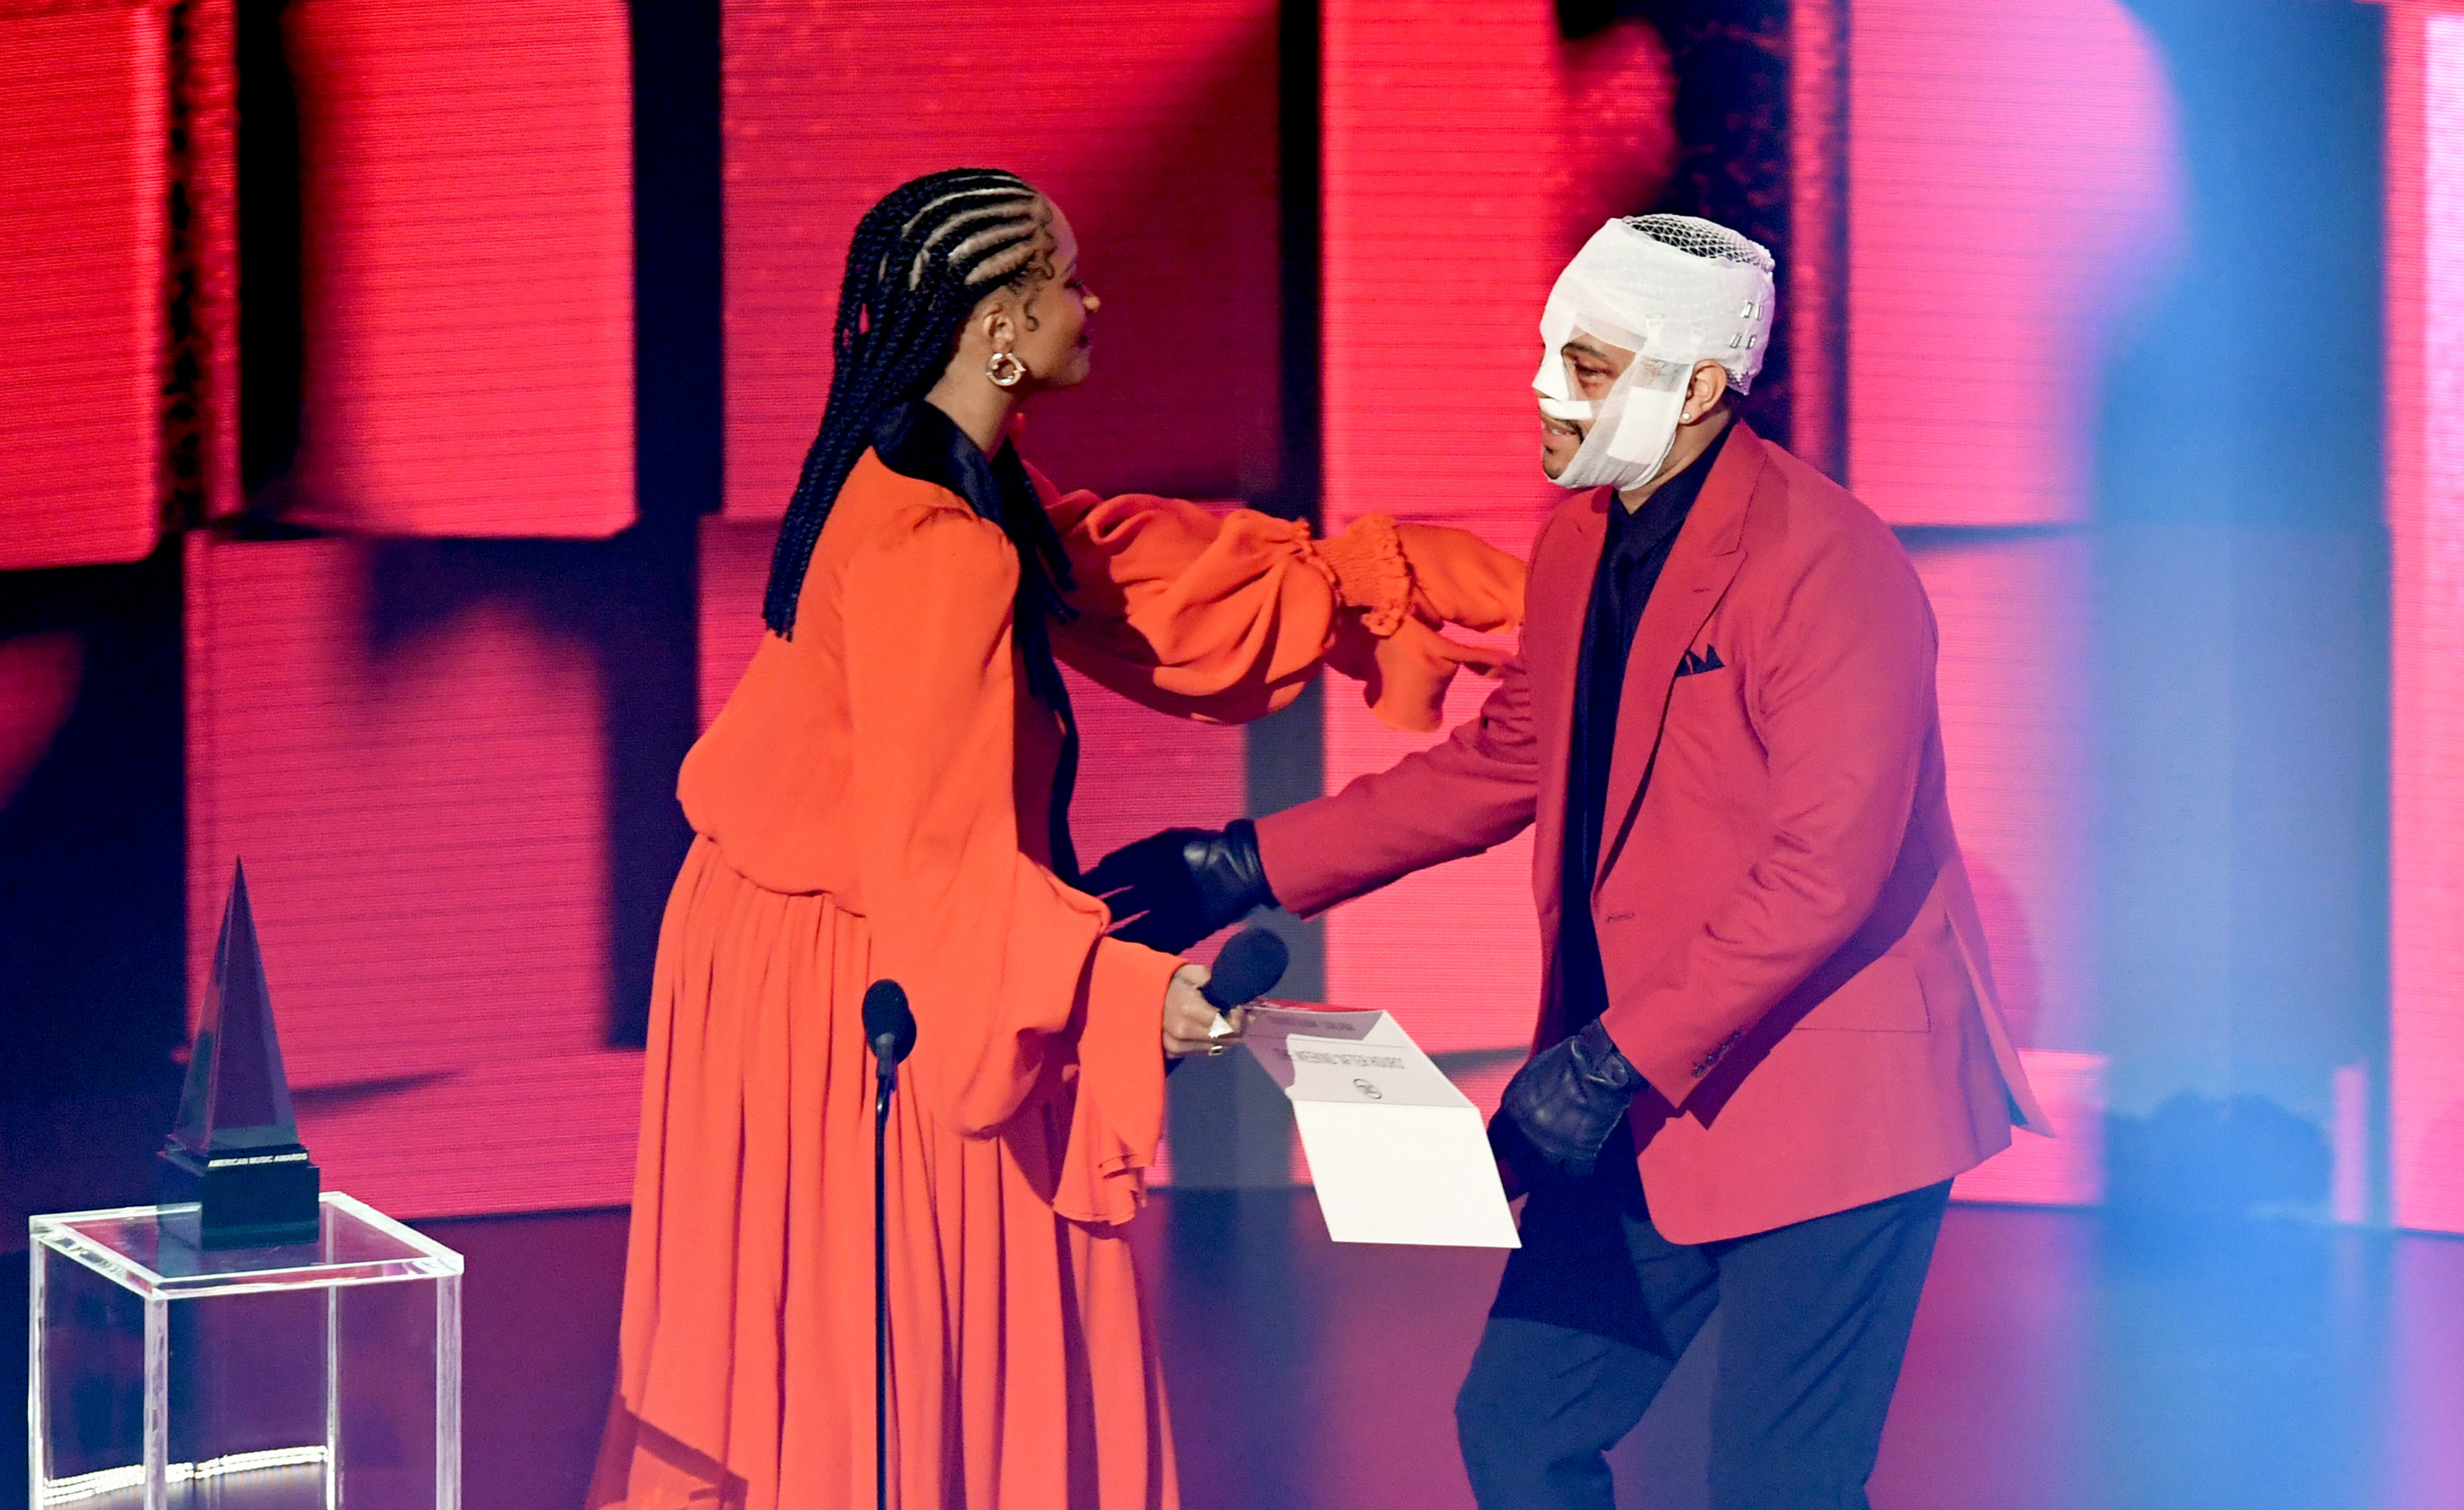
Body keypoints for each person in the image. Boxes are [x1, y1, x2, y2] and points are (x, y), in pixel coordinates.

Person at [585, 168, 1524, 1510]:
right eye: (1066, 280)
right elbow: (938, 862)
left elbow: (1123, 581)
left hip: (797, 931)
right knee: (934, 1308)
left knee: (838, 1334)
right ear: (998, 329)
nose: (1095, 298)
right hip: (858, 965)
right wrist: (1129, 993)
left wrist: (1365, 579)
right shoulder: (940, 546)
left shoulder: (929, 471)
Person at [1087, 214, 2053, 1509]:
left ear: (1700, 386)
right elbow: (1504, 762)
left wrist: (1607, 1057)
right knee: (1520, 1426)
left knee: (1781, 1489)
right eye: (1552, 349)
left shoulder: (1831, 564)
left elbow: (1826, 867)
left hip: (1834, 1102)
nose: (1547, 388)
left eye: (1590, 363)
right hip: (1645, 1092)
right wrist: (1246, 860)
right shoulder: (1578, 542)